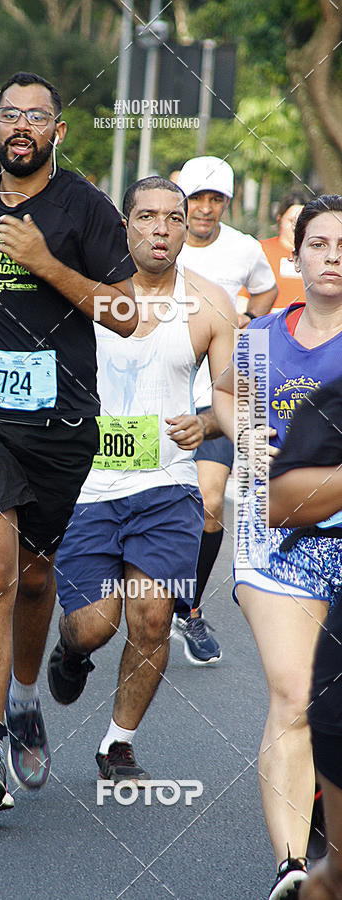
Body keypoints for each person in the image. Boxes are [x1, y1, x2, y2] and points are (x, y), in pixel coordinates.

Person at [0, 71, 138, 815]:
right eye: (9, 115)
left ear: (57, 132)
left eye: (35, 118)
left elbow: (126, 313)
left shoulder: (87, 207)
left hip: (61, 424)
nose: (20, 127)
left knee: (38, 578)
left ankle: (22, 697)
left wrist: (44, 262)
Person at [46, 176, 236, 781]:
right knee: (93, 625)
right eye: (147, 216)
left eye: (173, 218)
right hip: (88, 487)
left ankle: (117, 743)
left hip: (167, 486)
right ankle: (70, 651)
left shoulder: (210, 304)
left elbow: (235, 396)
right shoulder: (89, 294)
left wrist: (206, 423)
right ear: (124, 223)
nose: (162, 228)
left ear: (187, 229)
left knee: (152, 618)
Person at [213, 195, 342, 900]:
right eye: (319, 244)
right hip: (276, 537)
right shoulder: (263, 335)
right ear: (295, 255)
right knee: (293, 696)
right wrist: (243, 434)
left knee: (330, 703)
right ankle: (292, 869)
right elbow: (227, 392)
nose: (332, 258)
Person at [171, 156, 278, 664]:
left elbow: (266, 289)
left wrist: (249, 323)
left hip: (216, 391)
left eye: (216, 200)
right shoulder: (156, 239)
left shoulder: (244, 249)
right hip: (155, 389)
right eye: (197, 199)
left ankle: (187, 609)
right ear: (182, 199)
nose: (205, 209)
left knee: (211, 501)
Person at [269, 377, 342, 900]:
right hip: (299, 554)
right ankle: (296, 866)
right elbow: (280, 503)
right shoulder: (333, 398)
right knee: (297, 698)